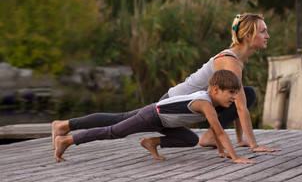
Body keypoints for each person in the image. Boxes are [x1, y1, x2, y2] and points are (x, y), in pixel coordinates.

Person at [52, 13, 280, 152]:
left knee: (248, 93)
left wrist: (240, 140)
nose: (267, 35)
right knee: (120, 121)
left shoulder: (237, 60)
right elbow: (238, 106)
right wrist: (254, 145)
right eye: (263, 31)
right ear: (248, 36)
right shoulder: (229, 61)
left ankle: (66, 126)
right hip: (171, 105)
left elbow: (236, 99)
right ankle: (65, 127)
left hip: (184, 107)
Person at [54, 70, 256, 164]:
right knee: (113, 132)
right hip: (151, 115)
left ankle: (152, 142)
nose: (234, 97)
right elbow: (219, 131)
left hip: (165, 122)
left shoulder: (210, 102)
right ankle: (67, 139)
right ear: (216, 89)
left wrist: (222, 151)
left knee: (191, 139)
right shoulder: (205, 102)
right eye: (231, 93)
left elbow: (216, 131)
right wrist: (236, 158)